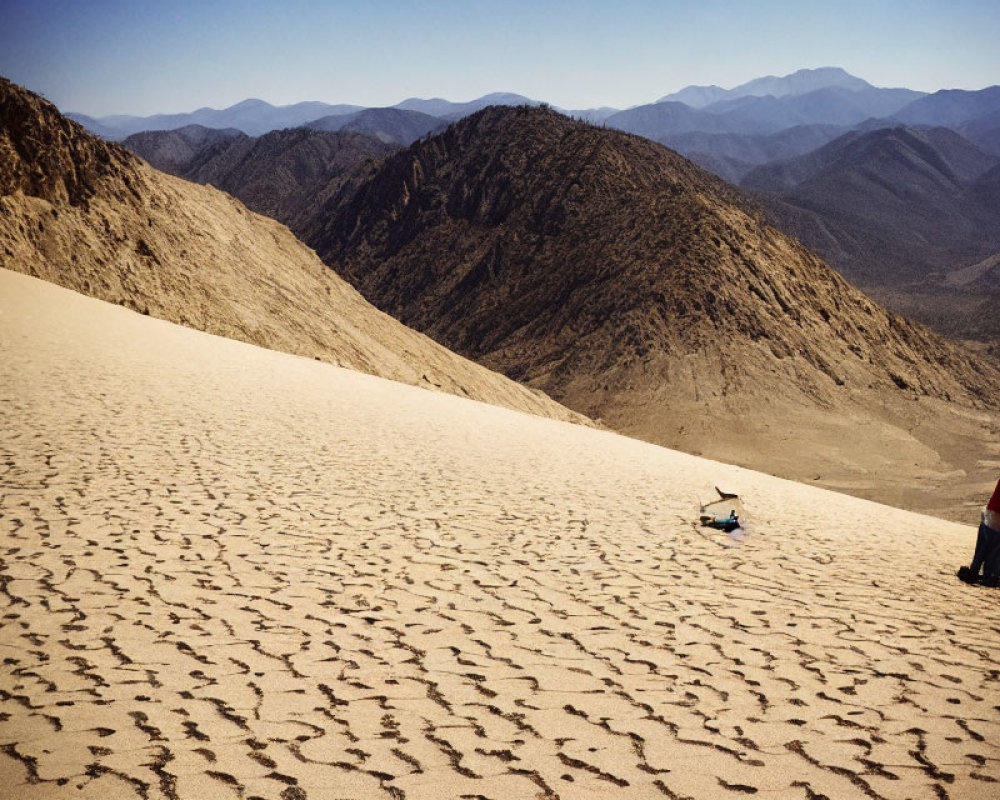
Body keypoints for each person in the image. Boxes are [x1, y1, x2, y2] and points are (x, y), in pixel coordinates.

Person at [958, 476, 1000, 586]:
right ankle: (990, 574)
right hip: (994, 516)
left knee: (984, 546)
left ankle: (975, 571)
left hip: (992, 514)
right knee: (995, 549)